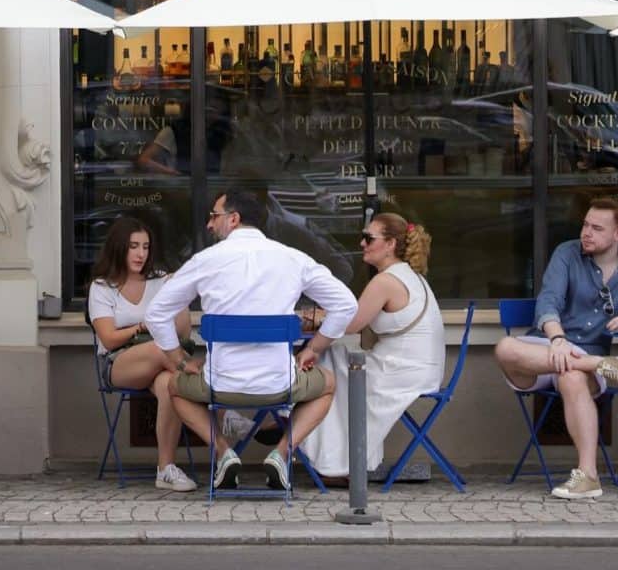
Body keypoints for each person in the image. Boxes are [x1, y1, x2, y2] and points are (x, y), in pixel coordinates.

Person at [144, 189, 357, 492]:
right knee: (328, 383)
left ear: (233, 219)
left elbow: (156, 313)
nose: (209, 224)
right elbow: (346, 304)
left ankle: (223, 452)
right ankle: (282, 453)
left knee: (175, 386)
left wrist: (178, 360)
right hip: (280, 386)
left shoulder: (205, 261)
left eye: (214, 216)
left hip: (219, 386)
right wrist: (314, 348)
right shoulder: (293, 259)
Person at [494, 197, 618, 501]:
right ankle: (597, 364)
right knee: (505, 348)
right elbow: (549, 301)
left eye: (597, 228)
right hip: (547, 348)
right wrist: (557, 339)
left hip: (588, 349)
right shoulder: (566, 253)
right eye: (585, 225)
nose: (586, 233)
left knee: (571, 377)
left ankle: (588, 476)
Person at [304, 213, 445, 482]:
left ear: (390, 244)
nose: (362, 243)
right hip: (416, 369)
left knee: (326, 365)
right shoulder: (409, 275)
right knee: (335, 360)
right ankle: (339, 460)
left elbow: (350, 324)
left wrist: (312, 323)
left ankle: (334, 460)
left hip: (402, 371)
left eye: (369, 238)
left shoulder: (385, 281)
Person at [87, 216, 196, 492]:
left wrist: (179, 295)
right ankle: (212, 397)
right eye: (133, 246)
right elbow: (108, 338)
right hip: (119, 361)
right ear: (119, 247)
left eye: (145, 247)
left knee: (171, 384)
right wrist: (140, 327)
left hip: (164, 361)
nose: (140, 254)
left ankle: (165, 469)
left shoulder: (159, 280)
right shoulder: (102, 286)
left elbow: (183, 333)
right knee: (163, 349)